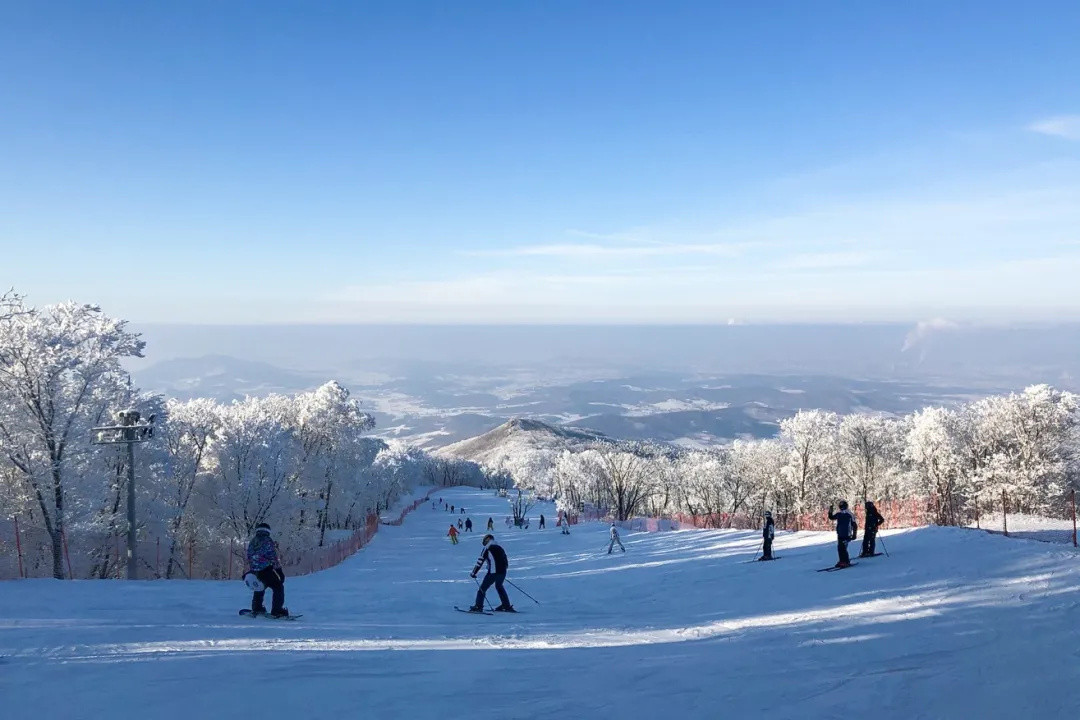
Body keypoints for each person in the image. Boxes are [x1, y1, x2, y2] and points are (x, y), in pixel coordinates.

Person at [246, 522, 288, 617]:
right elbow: (273, 557)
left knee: (260, 587)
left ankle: (257, 608)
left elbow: (249, 556)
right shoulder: (268, 541)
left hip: (255, 571)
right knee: (278, 587)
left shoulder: (253, 541)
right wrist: (279, 571)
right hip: (266, 569)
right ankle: (277, 610)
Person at [468, 534, 514, 612]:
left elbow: (480, 561)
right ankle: (506, 605)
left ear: (488, 539)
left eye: (485, 540)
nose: (484, 542)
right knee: (499, 586)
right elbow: (505, 560)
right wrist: (502, 571)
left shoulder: (487, 548)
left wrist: (474, 572)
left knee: (482, 589)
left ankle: (478, 607)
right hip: (502, 572)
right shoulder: (500, 548)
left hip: (493, 572)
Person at [827, 501, 857, 568]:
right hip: (840, 533)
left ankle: (845, 561)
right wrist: (830, 511)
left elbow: (854, 525)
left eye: (842, 506)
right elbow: (831, 517)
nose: (841, 507)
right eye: (841, 506)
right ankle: (842, 561)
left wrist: (854, 534)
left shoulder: (849, 514)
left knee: (843, 548)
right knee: (840, 548)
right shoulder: (839, 514)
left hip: (847, 534)